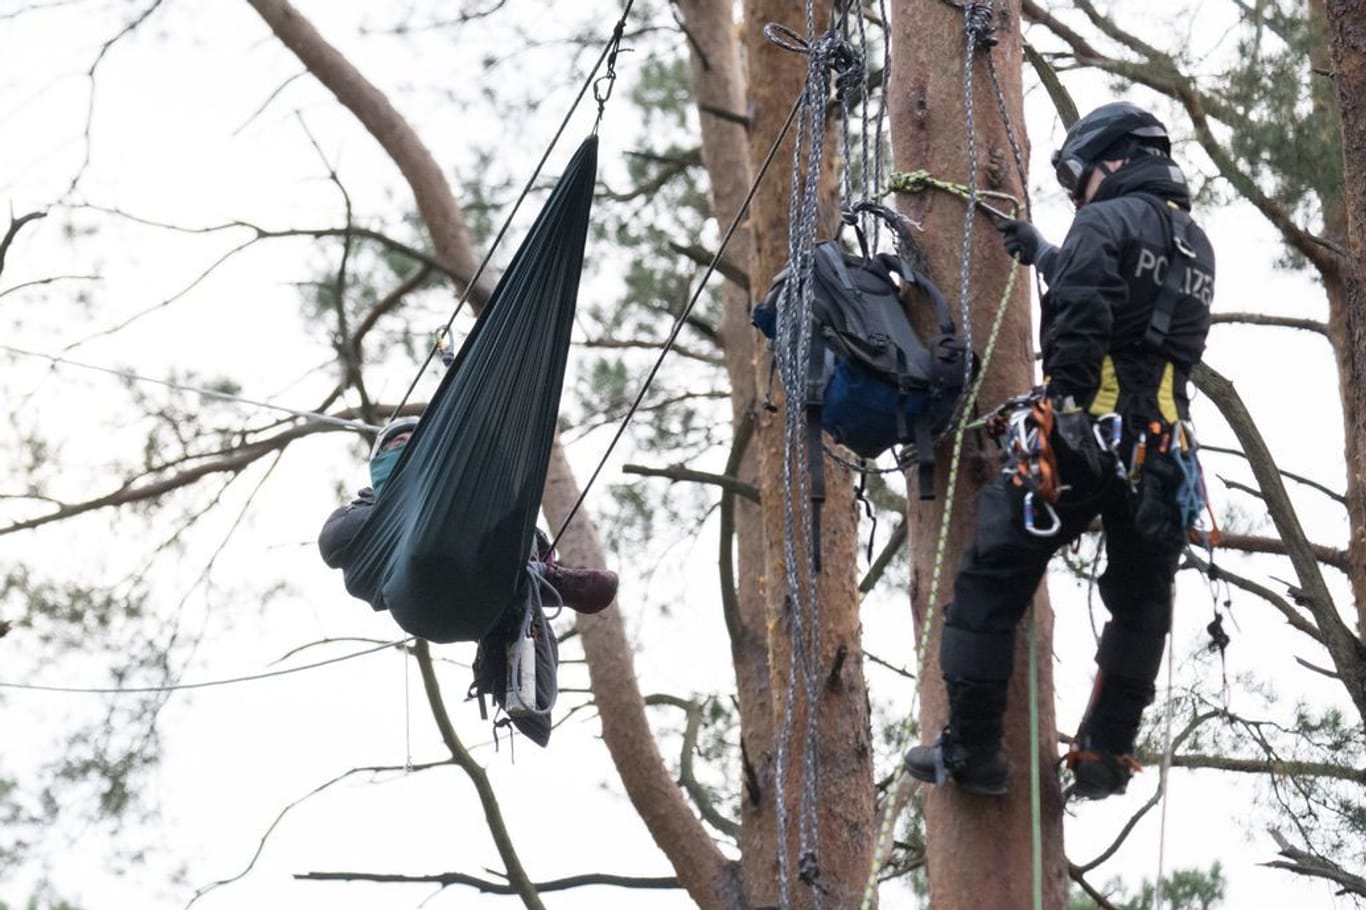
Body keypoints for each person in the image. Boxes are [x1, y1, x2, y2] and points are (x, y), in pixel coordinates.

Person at [904, 101, 1216, 799]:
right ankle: (1105, 753)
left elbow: (1084, 317)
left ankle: (972, 749)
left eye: (1082, 175)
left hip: (1085, 434)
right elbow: (1140, 314)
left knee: (991, 575)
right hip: (1164, 451)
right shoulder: (1196, 243)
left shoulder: (1103, 221)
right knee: (1141, 601)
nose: (1078, 192)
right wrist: (1049, 254)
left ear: (1116, 160)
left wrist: (1066, 404)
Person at [318, 415, 619, 618]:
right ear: (381, 460)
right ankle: (531, 580)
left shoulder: (453, 494)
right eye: (398, 445)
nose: (407, 449)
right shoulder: (360, 508)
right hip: (410, 590)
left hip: (472, 579)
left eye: (415, 445)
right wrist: (396, 513)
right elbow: (334, 543)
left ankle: (537, 580)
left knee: (483, 518)